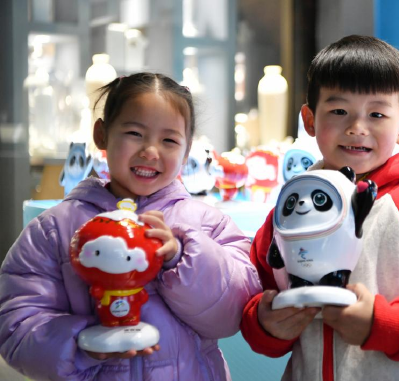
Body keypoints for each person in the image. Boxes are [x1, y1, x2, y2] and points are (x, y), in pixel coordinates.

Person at [241, 35, 399, 381]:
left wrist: (384, 324)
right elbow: (253, 297)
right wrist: (266, 323)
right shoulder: (290, 206)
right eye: (339, 111)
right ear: (310, 120)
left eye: (376, 114)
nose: (357, 128)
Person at [0, 72, 262, 380]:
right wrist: (81, 344)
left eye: (169, 140)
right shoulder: (54, 229)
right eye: (135, 133)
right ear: (101, 134)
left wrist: (182, 256)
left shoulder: (208, 224)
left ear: (187, 150)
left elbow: (233, 314)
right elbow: (16, 325)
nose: (150, 151)